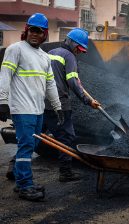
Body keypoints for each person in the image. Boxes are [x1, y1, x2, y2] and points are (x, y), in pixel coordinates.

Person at [0, 13, 64, 201]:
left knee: (33, 144)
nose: (34, 34)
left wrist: (57, 107)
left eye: (39, 31)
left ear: (44, 34)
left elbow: (50, 84)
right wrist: (2, 101)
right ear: (26, 31)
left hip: (38, 110)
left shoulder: (45, 57)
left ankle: (21, 180)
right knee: (27, 145)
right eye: (32, 30)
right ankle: (25, 185)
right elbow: (5, 75)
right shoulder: (15, 49)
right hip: (22, 109)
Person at [45, 28, 100, 182]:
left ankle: (15, 165)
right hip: (60, 103)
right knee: (67, 136)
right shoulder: (69, 56)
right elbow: (71, 82)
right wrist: (88, 101)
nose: (78, 52)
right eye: (79, 48)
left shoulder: (51, 52)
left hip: (42, 102)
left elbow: (63, 76)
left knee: (35, 134)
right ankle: (65, 172)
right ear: (70, 42)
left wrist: (75, 79)